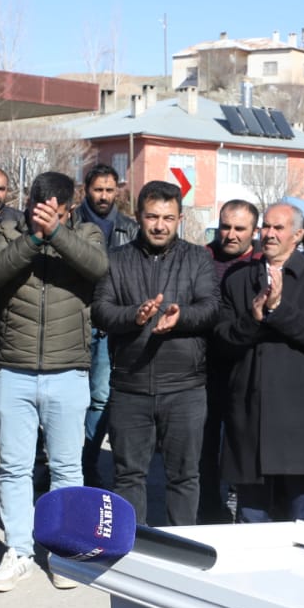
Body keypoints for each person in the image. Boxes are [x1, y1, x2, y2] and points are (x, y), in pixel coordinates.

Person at [0, 172, 107, 590]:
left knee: (67, 467)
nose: (46, 213)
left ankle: (65, 551)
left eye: (56, 208)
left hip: (69, 369)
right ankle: (18, 549)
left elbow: (97, 268)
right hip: (13, 368)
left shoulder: (86, 232)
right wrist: (34, 238)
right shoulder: (9, 230)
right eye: (39, 205)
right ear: (28, 201)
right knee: (14, 467)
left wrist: (57, 234)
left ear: (69, 207)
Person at [92, 180, 219, 525]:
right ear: (138, 216)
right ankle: (131, 550)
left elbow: (211, 307)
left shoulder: (197, 259)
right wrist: (134, 316)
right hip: (130, 388)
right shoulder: (115, 260)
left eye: (168, 217)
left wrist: (182, 317)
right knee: (129, 476)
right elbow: (101, 311)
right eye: (152, 216)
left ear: (180, 218)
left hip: (185, 389)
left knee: (184, 476)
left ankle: (181, 551)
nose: (160, 225)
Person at [212, 202, 304, 523]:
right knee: (252, 518)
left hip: (298, 417)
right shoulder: (238, 280)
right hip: (249, 414)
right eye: (266, 226)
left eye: (278, 228)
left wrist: (279, 310)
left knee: (302, 520)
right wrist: (253, 320)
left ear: (298, 234)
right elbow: (223, 338)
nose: (268, 234)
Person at [72, 163, 137, 484]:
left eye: (110, 190)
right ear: (86, 189)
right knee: (68, 398)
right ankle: (63, 464)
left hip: (108, 324)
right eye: (98, 189)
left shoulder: (129, 228)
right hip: (74, 319)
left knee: (100, 397)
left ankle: (87, 462)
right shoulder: (70, 222)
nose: (104, 196)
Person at [202, 198, 260, 521]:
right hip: (205, 369)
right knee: (205, 447)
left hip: (246, 370)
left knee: (240, 443)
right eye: (226, 227)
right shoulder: (201, 258)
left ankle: (239, 502)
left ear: (254, 230)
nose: (231, 234)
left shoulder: (263, 264)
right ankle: (208, 508)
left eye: (240, 228)